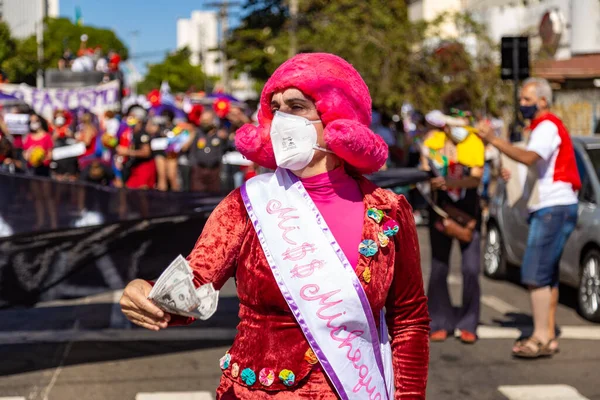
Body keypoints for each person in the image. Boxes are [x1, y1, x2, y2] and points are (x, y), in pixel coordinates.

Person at [120, 53, 430, 399]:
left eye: (297, 107)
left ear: (337, 117)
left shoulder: (388, 210)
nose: (282, 119)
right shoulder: (247, 203)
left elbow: (409, 321)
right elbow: (192, 288)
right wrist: (147, 293)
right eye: (275, 108)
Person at [476, 77, 580, 358]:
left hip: (552, 208)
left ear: (543, 100)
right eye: (521, 99)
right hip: (556, 206)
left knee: (534, 273)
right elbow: (536, 166)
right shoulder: (543, 128)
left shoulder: (546, 126)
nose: (521, 104)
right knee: (547, 276)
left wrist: (494, 140)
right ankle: (547, 334)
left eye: (526, 99)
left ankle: (540, 337)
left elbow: (530, 158)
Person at [421, 89, 485, 345]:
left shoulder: (474, 143)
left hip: (468, 210)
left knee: (471, 268)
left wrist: (450, 180)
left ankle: (469, 321)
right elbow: (425, 171)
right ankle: (439, 320)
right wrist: (433, 177)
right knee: (439, 268)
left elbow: (477, 176)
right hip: (440, 209)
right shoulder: (432, 142)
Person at [187, 110, 228, 192]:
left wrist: (226, 138)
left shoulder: (220, 134)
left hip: (214, 171)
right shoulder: (197, 133)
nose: (204, 123)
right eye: (203, 121)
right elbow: (187, 149)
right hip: (199, 170)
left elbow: (229, 146)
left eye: (206, 121)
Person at [118, 119, 156, 189]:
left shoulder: (142, 134)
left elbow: (146, 152)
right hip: (135, 167)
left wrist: (127, 152)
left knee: (142, 191)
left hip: (144, 166)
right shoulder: (130, 134)